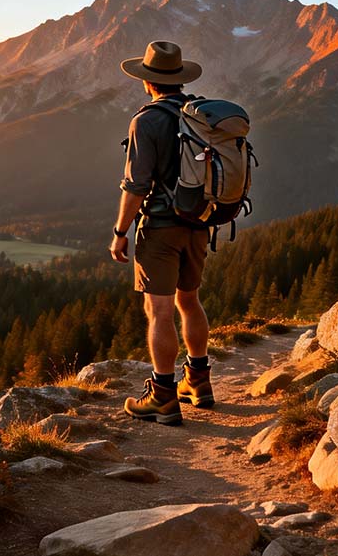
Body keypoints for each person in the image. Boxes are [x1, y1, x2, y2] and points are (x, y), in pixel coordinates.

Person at [109, 40, 214, 425]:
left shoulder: (146, 120)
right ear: (180, 79)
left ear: (147, 81)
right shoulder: (199, 114)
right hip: (200, 223)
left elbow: (135, 185)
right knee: (190, 301)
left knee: (159, 312)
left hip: (161, 228)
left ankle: (163, 396)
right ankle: (199, 382)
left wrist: (121, 231)